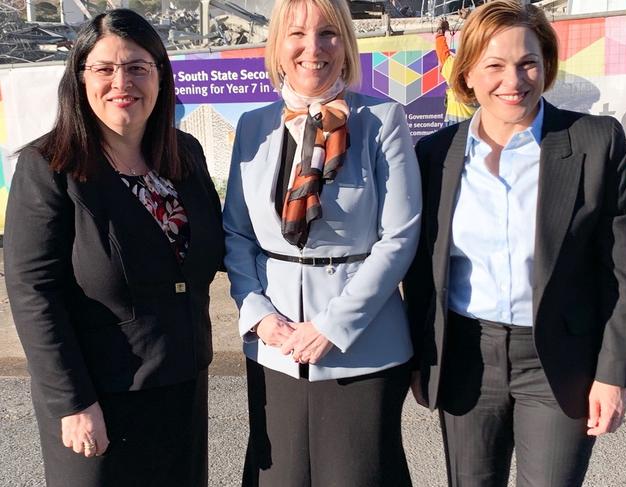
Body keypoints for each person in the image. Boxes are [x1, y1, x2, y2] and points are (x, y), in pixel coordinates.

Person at [404, 1, 626, 486]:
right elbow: (419, 266)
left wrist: (613, 373)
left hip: (560, 359)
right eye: (494, 65)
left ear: (547, 65)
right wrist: (421, 356)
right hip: (467, 358)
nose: (513, 80)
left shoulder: (596, 142)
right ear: (466, 72)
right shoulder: (435, 155)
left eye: (527, 62)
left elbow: (625, 270)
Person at [4, 9, 224, 487]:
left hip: (181, 385)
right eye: (103, 69)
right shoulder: (50, 167)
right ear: (80, 80)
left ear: (160, 77)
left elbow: (218, 252)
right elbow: (33, 293)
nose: (121, 82)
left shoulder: (184, 156)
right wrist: (74, 403)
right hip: (97, 397)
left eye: (137, 67)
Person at [222, 0, 421, 485]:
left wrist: (334, 325)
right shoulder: (253, 126)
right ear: (277, 45)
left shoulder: (382, 120)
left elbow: (399, 236)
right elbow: (237, 233)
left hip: (363, 347)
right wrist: (260, 316)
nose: (313, 48)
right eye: (297, 34)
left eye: (329, 33)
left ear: (346, 44)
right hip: (276, 350)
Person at [435, 18, 477, 125]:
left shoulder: (454, 68)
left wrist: (441, 30)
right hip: (476, 126)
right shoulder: (484, 71)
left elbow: (441, 51)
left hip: (453, 128)